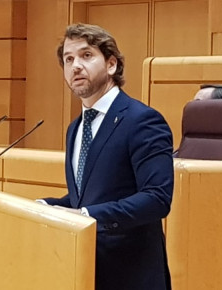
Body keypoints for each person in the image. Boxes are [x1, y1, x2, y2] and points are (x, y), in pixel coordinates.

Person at [40, 23, 174, 290]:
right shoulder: (75, 127)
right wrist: (46, 205)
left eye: (86, 55)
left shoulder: (142, 120)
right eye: (68, 59)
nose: (75, 65)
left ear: (111, 64)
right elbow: (93, 195)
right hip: (85, 271)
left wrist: (85, 216)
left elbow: (157, 198)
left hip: (131, 275)